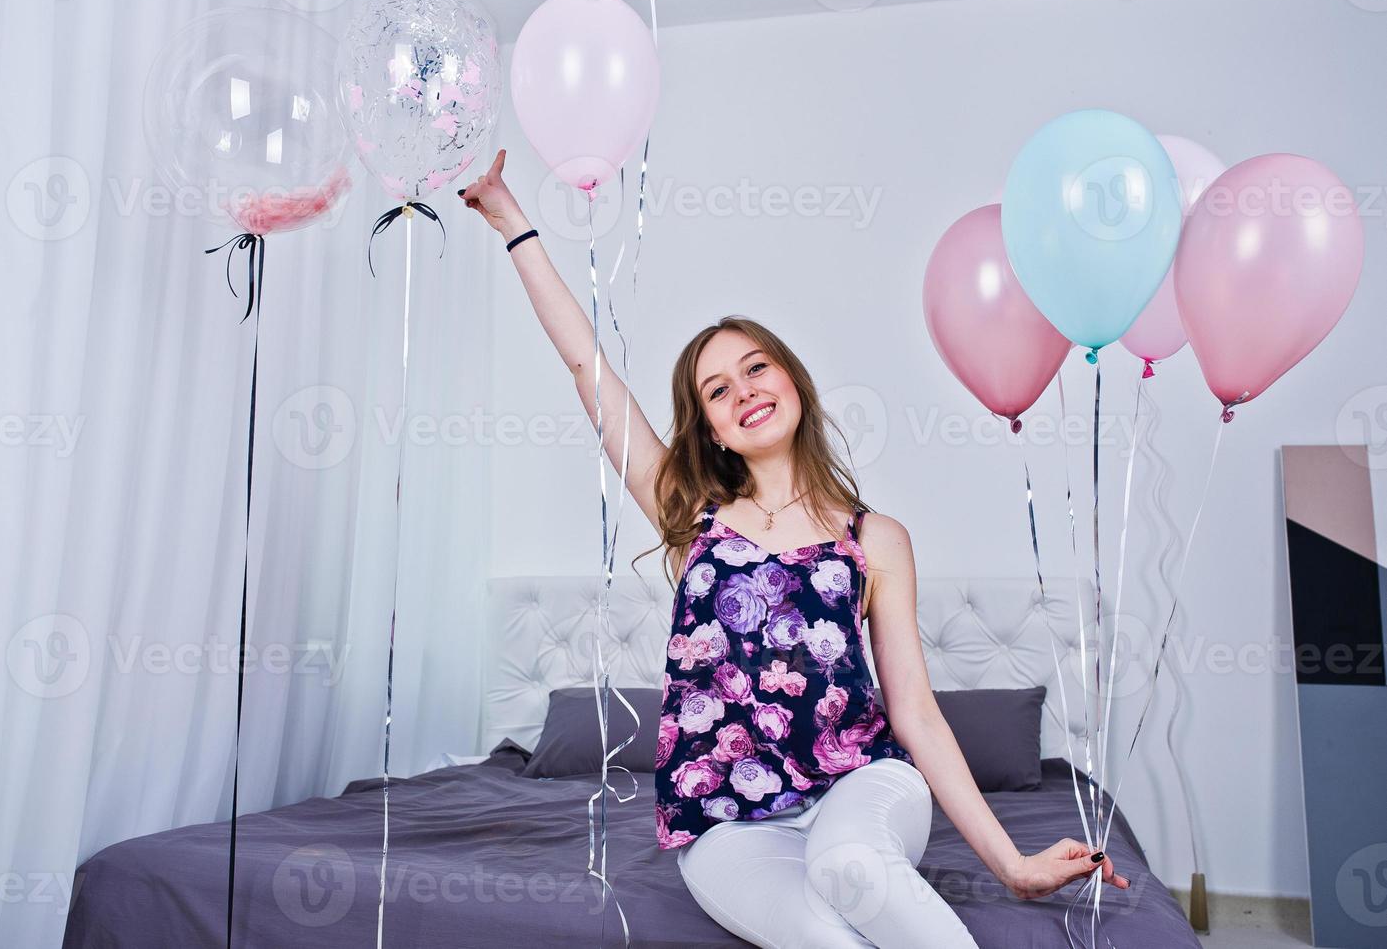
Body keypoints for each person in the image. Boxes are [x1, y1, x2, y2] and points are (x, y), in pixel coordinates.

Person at [459, 149, 1128, 948]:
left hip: (864, 786)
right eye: (717, 389)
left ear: (793, 382)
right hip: (728, 824)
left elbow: (913, 710)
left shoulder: (874, 539)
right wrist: (511, 220)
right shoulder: (690, 514)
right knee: (824, 937)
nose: (742, 390)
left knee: (849, 866)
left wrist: (1013, 865)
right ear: (708, 426)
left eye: (755, 368)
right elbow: (585, 365)